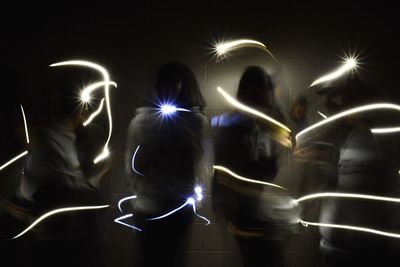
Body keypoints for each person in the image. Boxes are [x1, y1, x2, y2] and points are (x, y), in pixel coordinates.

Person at [296, 74, 400, 266]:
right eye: (344, 100)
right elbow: (307, 146)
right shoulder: (341, 135)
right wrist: (302, 112)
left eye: (351, 99)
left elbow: (394, 190)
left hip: (370, 250)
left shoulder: (385, 141)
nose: (344, 106)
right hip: (334, 246)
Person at [125, 62, 213, 267]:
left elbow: (204, 166)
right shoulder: (142, 121)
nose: (170, 89)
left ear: (184, 85)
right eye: (165, 84)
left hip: (169, 205)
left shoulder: (196, 122)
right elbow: (132, 165)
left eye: (174, 83)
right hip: (156, 204)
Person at [211, 66, 299, 267]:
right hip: (241, 210)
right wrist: (276, 151)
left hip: (243, 209)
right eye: (268, 90)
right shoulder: (235, 128)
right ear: (258, 91)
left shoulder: (251, 126)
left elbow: (260, 172)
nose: (271, 96)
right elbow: (253, 173)